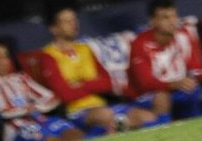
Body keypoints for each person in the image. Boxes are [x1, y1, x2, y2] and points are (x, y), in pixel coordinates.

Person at [37, 7, 155, 135]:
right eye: (67, 22)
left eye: (74, 20)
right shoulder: (47, 56)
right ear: (54, 28)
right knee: (109, 118)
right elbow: (65, 95)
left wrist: (81, 85)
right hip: (77, 112)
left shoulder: (85, 49)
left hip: (102, 106)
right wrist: (93, 83)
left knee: (147, 117)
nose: (74, 24)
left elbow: (107, 82)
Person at [0, 37, 86, 141]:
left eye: (5, 57)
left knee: (73, 133)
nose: (3, 62)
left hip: (39, 118)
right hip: (14, 126)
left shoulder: (20, 78)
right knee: (50, 139)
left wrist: (36, 107)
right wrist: (21, 110)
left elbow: (50, 97)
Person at [126, 0, 202, 123]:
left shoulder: (183, 36)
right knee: (161, 98)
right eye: (165, 18)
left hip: (179, 89)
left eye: (174, 16)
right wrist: (173, 84)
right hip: (148, 96)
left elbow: (194, 67)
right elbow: (145, 83)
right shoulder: (139, 44)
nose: (172, 22)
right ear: (153, 21)